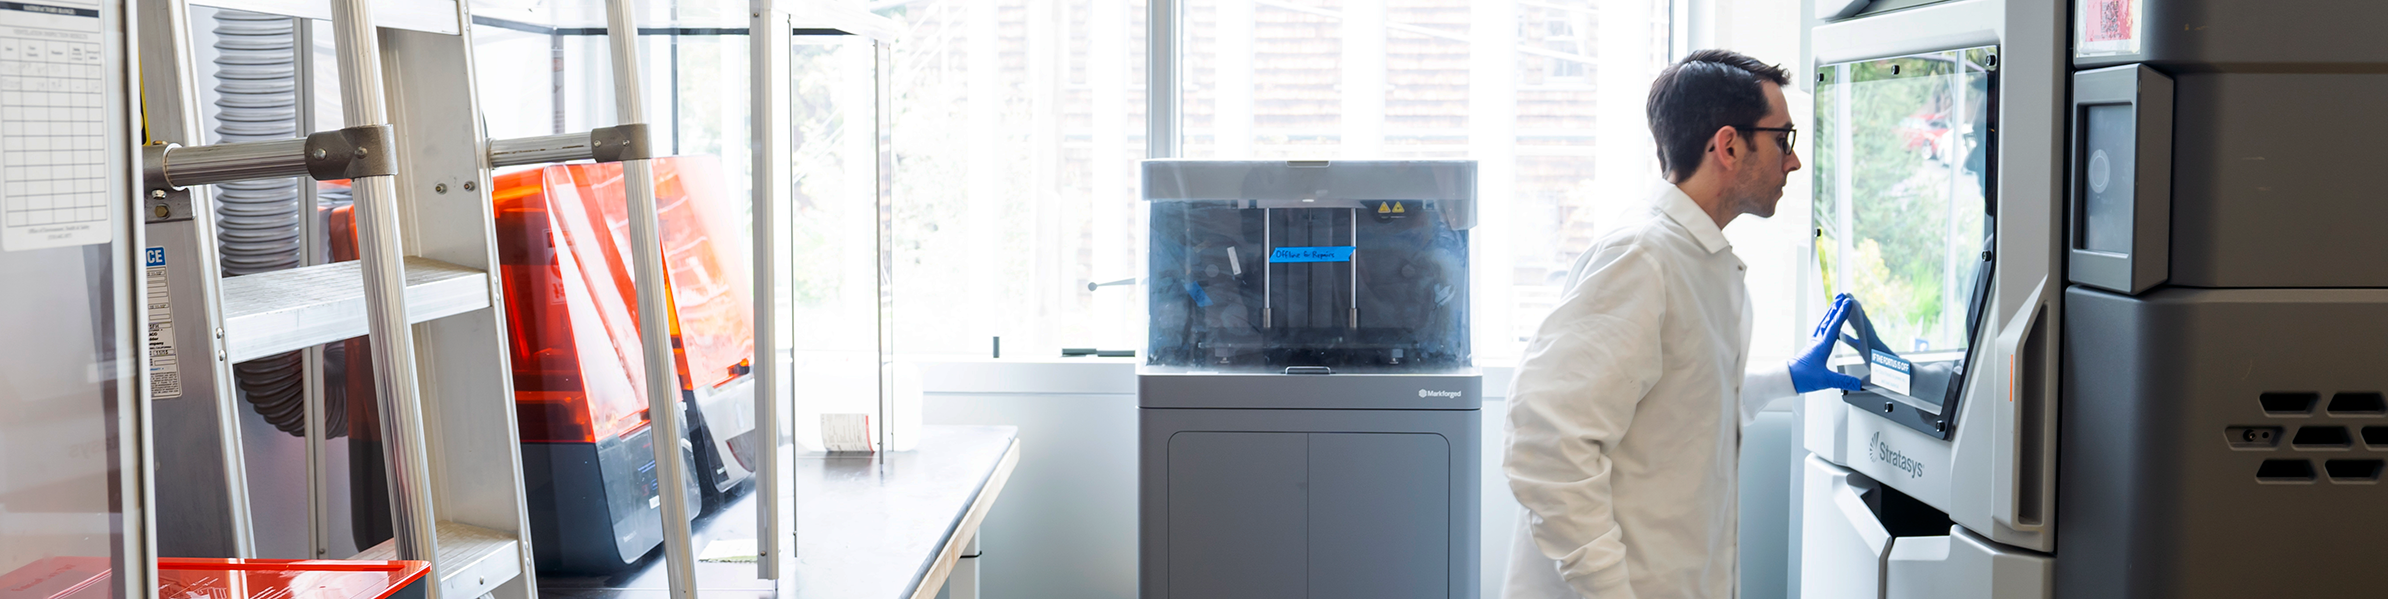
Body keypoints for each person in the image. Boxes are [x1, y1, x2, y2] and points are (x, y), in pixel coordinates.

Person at [1501, 49, 1863, 599]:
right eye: (1783, 139)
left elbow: (1676, 415)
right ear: (1728, 145)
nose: (1793, 161)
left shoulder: (1701, 259)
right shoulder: (1642, 257)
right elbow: (1546, 443)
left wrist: (1784, 380)